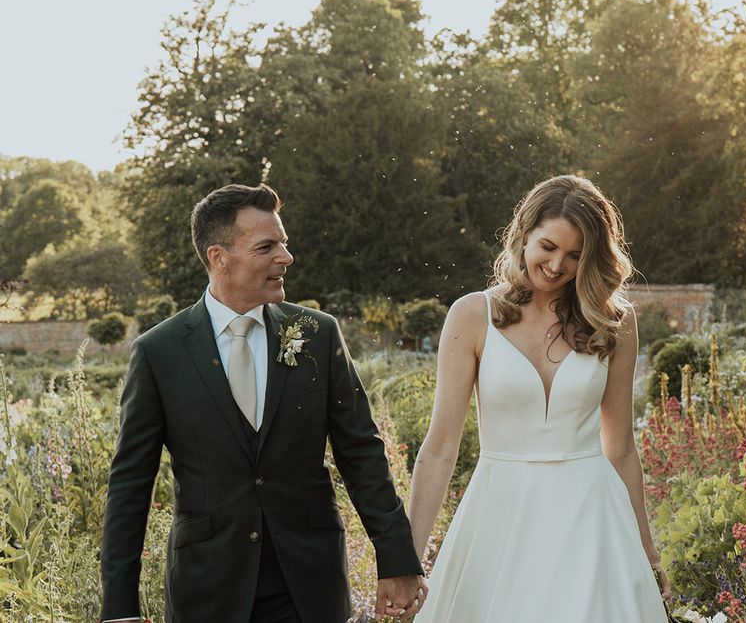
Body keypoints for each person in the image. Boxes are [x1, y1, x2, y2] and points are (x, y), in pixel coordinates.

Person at [100, 183, 426, 623]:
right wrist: (118, 608)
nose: (286, 258)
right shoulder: (159, 352)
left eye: (285, 244)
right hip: (209, 588)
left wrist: (397, 560)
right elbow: (129, 484)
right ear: (219, 258)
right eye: (267, 246)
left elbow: (362, 453)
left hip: (310, 585)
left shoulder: (318, 333)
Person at [408, 174, 672, 621]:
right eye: (547, 247)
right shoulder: (473, 314)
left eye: (575, 255)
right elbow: (438, 448)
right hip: (500, 514)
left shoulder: (614, 323)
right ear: (523, 234)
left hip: (591, 519)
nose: (556, 265)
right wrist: (406, 559)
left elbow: (621, 447)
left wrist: (646, 548)